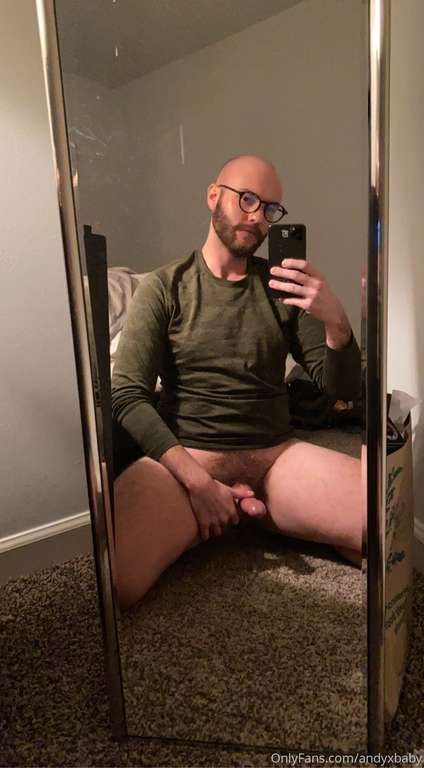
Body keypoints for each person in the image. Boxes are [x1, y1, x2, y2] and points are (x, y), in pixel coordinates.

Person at [111, 154, 364, 610]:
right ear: (213, 196)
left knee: (381, 526)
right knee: (119, 580)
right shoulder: (164, 286)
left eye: (270, 209)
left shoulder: (283, 286)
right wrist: (198, 484)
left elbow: (340, 390)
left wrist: (337, 323)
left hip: (275, 458)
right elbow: (127, 395)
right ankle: (235, 512)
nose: (256, 216)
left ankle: (248, 515)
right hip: (188, 459)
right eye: (247, 199)